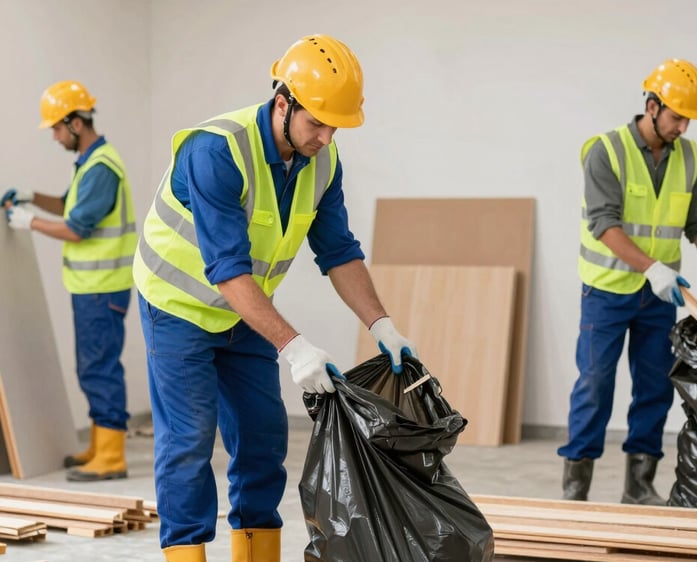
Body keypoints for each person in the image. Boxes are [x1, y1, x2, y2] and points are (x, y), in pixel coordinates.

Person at [132, 34, 417, 562]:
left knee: (263, 440)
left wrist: (382, 324)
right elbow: (227, 269)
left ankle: (256, 553)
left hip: (245, 312)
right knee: (190, 443)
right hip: (179, 307)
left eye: (336, 125)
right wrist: (293, 346)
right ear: (281, 102)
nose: (327, 137)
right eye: (318, 122)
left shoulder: (322, 163)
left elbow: (338, 251)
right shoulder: (217, 150)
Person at [557, 59, 697, 505]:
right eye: (677, 116)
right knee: (594, 385)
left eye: (688, 119)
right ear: (651, 106)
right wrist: (651, 268)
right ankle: (574, 490)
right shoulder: (605, 151)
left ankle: (639, 486)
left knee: (656, 387)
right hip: (607, 292)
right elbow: (604, 224)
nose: (683, 127)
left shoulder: (687, 156)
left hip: (660, 297)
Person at [2, 80, 137, 482]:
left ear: (76, 122)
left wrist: (30, 222)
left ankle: (111, 456)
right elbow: (69, 204)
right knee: (92, 366)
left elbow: (77, 228)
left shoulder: (100, 167)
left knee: (98, 368)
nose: (56, 136)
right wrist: (32, 196)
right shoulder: (91, 163)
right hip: (93, 289)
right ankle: (100, 444)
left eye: (58, 128)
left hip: (101, 288)